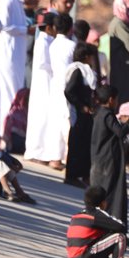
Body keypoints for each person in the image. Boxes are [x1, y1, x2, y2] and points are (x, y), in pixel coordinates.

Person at [0, 0, 40, 137]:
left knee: (14, 94)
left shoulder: (18, 3)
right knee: (7, 94)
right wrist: (25, 30)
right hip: (7, 56)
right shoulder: (7, 1)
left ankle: (9, 131)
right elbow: (3, 26)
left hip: (16, 58)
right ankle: (2, 132)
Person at [66, 184, 129, 258]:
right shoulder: (97, 214)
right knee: (120, 237)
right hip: (84, 255)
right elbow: (121, 226)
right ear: (103, 203)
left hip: (73, 256)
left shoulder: (78, 215)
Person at [90, 85, 129, 230]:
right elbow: (120, 132)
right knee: (112, 195)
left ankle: (102, 226)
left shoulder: (98, 113)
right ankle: (112, 228)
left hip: (98, 159)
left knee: (101, 194)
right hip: (108, 160)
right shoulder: (107, 114)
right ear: (111, 99)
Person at [63, 44, 100, 187]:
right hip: (79, 114)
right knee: (76, 144)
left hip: (87, 115)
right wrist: (81, 106)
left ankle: (84, 175)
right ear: (86, 57)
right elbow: (69, 91)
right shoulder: (78, 71)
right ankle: (71, 175)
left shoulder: (88, 72)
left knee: (86, 145)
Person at [45, 13, 77, 168]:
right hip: (68, 85)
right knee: (67, 120)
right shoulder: (72, 46)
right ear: (71, 29)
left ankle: (55, 157)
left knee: (55, 121)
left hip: (55, 84)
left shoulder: (52, 45)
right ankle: (69, 156)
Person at [24, 11, 58, 165]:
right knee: (40, 118)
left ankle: (42, 151)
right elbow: (44, 63)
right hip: (43, 84)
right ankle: (35, 151)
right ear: (49, 27)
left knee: (46, 118)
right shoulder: (43, 41)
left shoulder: (49, 40)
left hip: (47, 83)